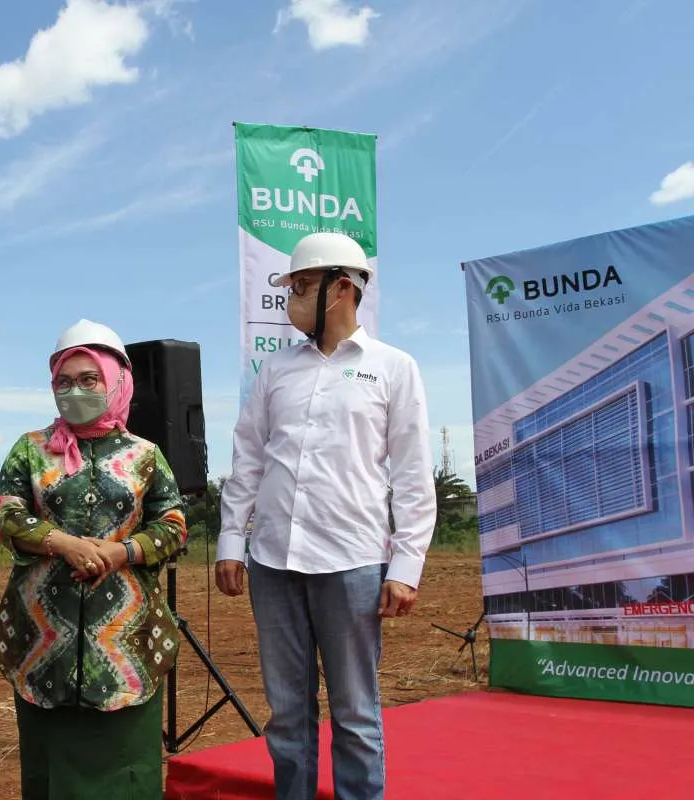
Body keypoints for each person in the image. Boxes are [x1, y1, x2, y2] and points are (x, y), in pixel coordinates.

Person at [215, 232, 436, 800]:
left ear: (343, 289)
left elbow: (413, 474)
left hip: (352, 561)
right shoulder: (276, 371)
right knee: (288, 714)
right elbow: (249, 459)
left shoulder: (393, 367)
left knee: (356, 714)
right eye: (291, 286)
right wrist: (230, 544)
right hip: (273, 561)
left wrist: (406, 564)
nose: (292, 297)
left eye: (303, 285)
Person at [0, 319, 188, 799]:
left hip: (126, 643)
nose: (75, 391)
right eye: (64, 381)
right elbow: (3, 513)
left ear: (117, 381)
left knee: (127, 768)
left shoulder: (145, 455)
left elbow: (174, 525)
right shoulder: (30, 450)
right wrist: (63, 542)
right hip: (42, 642)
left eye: (89, 379)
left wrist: (121, 552)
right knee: (49, 766)